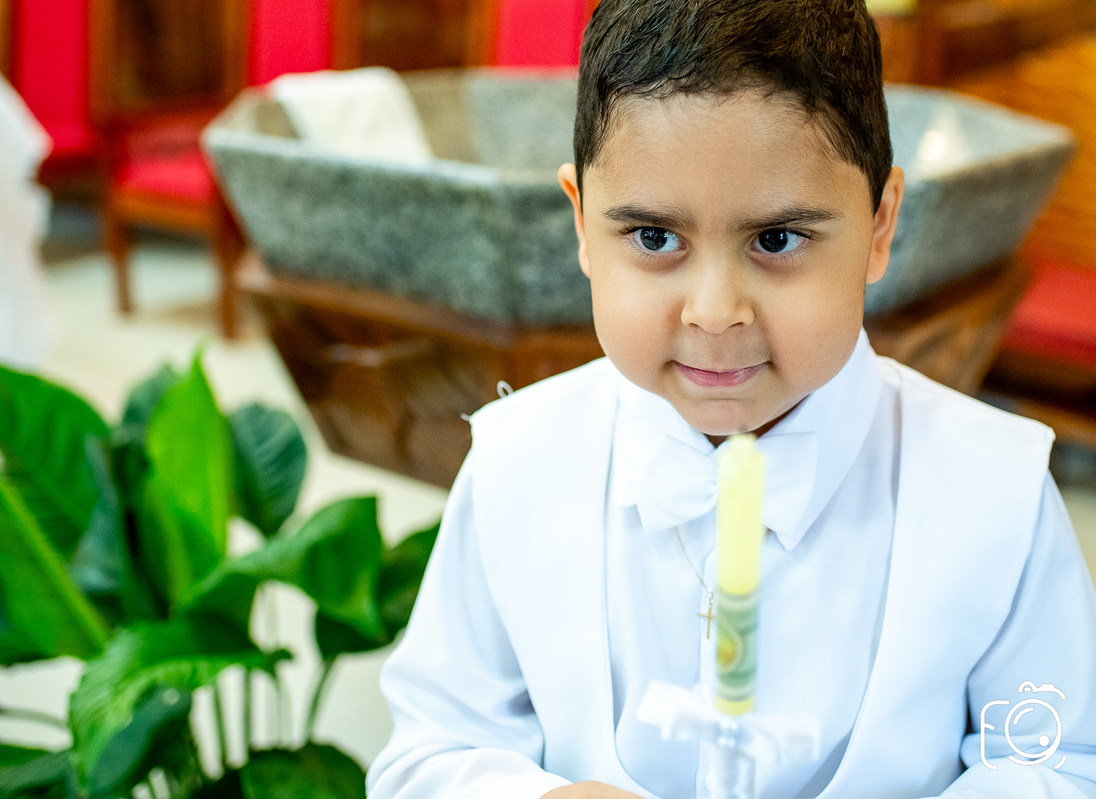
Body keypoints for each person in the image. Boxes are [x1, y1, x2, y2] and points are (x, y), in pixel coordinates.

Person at [365, 0, 1096, 796]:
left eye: (776, 239)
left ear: (881, 224)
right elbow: (430, 751)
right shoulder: (519, 461)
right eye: (653, 238)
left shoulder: (997, 492)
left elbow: (1057, 762)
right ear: (580, 222)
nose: (714, 312)